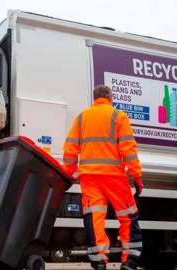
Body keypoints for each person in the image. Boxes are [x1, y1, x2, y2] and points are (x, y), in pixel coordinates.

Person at [63, 85, 143, 270]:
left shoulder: (81, 118)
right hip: (114, 177)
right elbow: (128, 149)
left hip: (90, 178)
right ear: (110, 97)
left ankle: (99, 262)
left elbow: (70, 148)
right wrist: (136, 176)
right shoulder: (119, 116)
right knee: (127, 217)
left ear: (95, 98)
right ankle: (129, 262)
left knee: (94, 218)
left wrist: (68, 173)